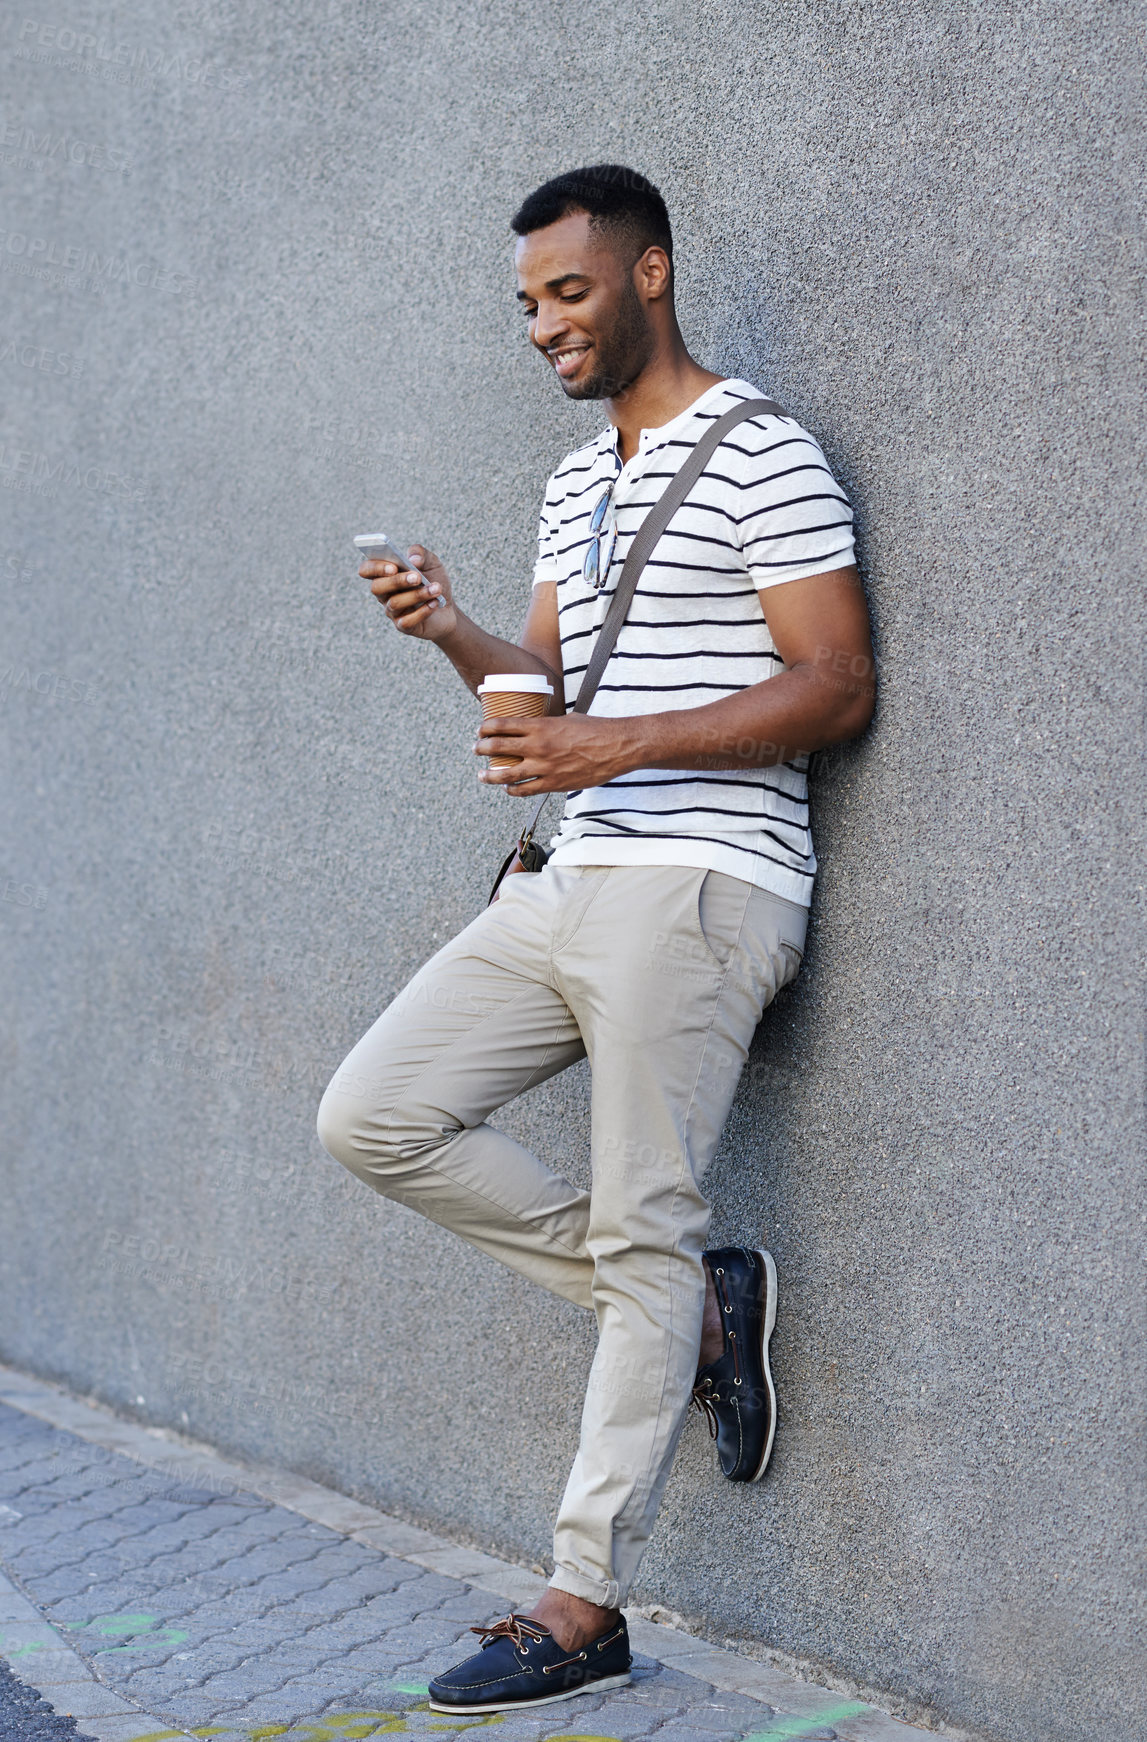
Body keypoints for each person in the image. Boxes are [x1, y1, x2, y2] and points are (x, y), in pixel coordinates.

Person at [317, 163, 875, 1718]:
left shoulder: (768, 453)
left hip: (702, 883)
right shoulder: (577, 481)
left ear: (649, 276)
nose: (545, 325)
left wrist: (607, 752)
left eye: (569, 293)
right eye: (526, 305)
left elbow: (835, 683)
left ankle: (583, 1599)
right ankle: (690, 1304)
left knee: (646, 1218)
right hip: (566, 879)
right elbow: (541, 694)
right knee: (373, 1113)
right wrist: (454, 633)